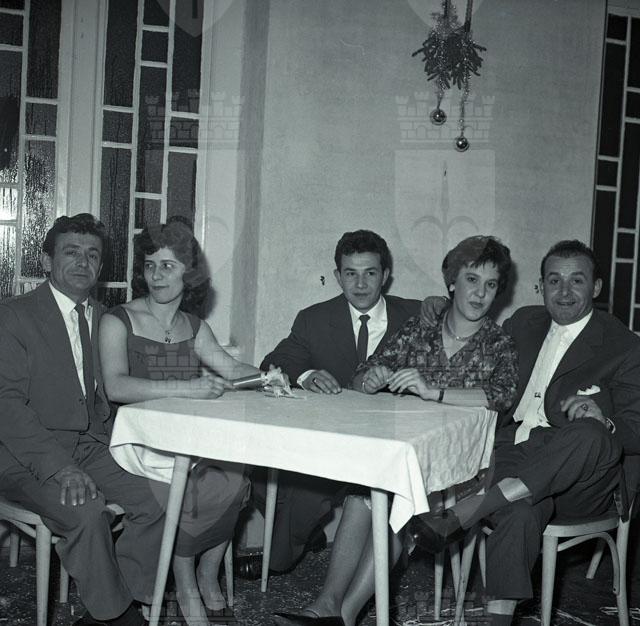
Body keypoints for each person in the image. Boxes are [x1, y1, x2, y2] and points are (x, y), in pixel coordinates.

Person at [273, 235, 519, 626]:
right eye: (472, 280)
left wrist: (434, 391)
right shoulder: (419, 330)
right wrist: (371, 379)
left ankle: (344, 615)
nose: (480, 293)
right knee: (363, 495)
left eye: (490, 285)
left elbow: (501, 396)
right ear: (451, 282)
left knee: (392, 507)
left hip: (462, 472)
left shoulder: (499, 343)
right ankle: (325, 605)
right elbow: (364, 373)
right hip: (407, 455)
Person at [413, 240, 640, 625]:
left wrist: (605, 419)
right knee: (519, 511)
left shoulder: (625, 345)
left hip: (581, 478)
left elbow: (635, 428)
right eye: (554, 280)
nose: (564, 291)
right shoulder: (523, 323)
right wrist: (442, 304)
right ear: (540, 286)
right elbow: (473, 330)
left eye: (576, 280)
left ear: (596, 287)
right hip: (514, 451)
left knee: (590, 433)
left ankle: (473, 508)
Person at [0, 213, 168, 626]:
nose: (82, 262)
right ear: (46, 261)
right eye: (71, 252)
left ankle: (115, 601)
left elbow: (131, 379)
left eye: (92, 255)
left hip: (90, 445)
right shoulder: (13, 316)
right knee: (87, 511)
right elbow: (7, 406)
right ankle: (116, 616)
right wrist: (61, 468)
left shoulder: (106, 318)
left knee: (161, 497)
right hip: (23, 455)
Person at [99, 218, 261, 626]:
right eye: (150, 265)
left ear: (188, 274)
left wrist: (269, 377)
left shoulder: (195, 326)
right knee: (182, 491)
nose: (156, 275)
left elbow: (232, 369)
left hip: (186, 439)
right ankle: (185, 581)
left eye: (168, 266)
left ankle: (208, 572)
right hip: (138, 442)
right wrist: (189, 389)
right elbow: (116, 387)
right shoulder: (118, 320)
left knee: (234, 478)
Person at [246, 230, 421, 577]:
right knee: (260, 472)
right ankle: (296, 540)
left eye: (370, 273)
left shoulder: (415, 315)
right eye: (350, 273)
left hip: (393, 446)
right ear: (338, 276)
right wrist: (306, 374)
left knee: (304, 501)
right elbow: (273, 363)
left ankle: (279, 557)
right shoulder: (313, 319)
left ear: (386, 275)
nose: (360, 284)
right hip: (334, 444)